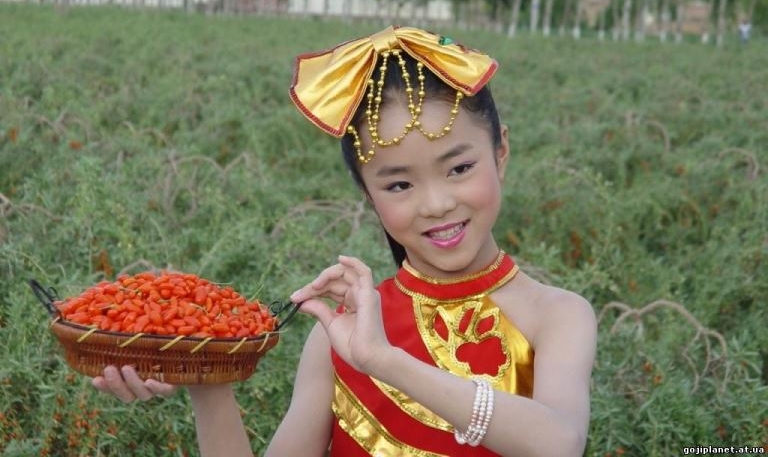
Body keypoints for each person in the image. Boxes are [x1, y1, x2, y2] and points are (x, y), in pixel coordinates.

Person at [92, 26, 597, 456]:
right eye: (399, 184)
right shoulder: (341, 335)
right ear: (367, 193)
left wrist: (383, 361)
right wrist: (208, 383)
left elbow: (560, 441)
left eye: (460, 168)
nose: (437, 203)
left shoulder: (555, 315)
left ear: (501, 151)